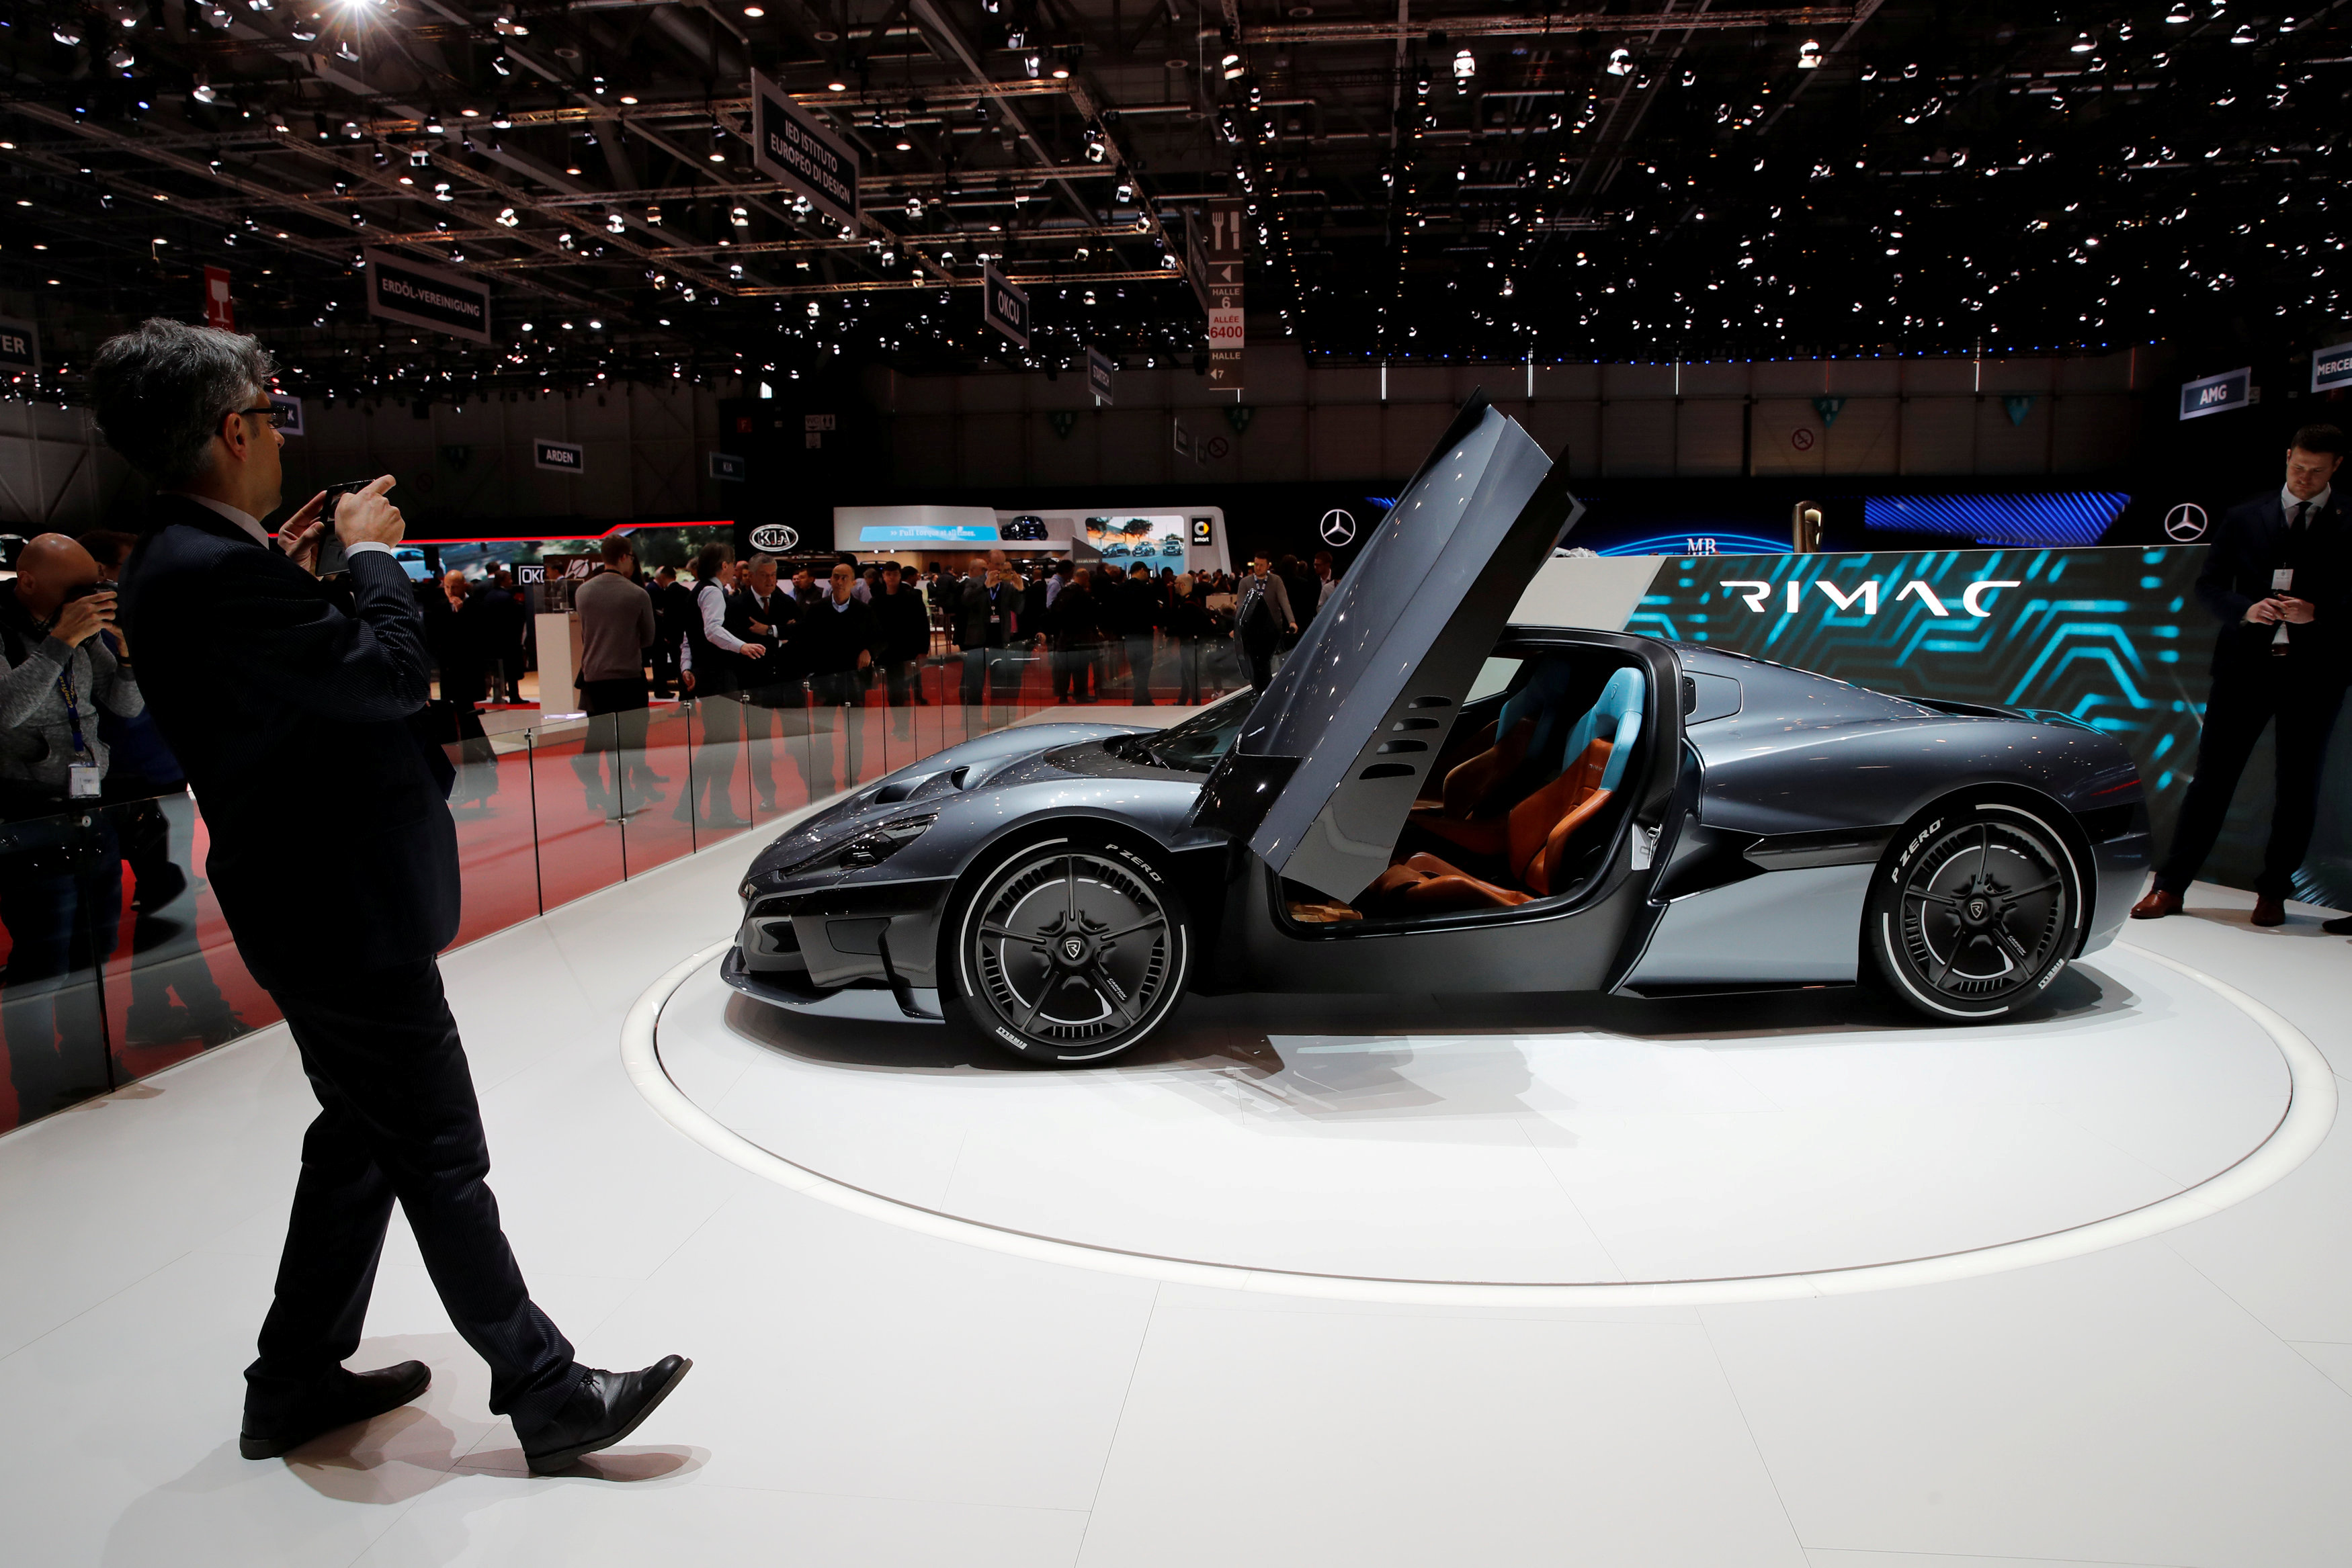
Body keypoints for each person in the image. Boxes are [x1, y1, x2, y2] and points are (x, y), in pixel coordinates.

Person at [93, 318, 687, 1473]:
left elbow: (295, 687)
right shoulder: (208, 570)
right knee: (438, 1147)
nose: (277, 436)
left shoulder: (201, 558)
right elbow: (378, 676)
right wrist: (371, 560)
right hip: (336, 908)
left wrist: (304, 567)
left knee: (362, 1142)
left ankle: (296, 1376)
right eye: (269, 414)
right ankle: (547, 1387)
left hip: (321, 897)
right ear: (230, 429)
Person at [2134, 424, 2347, 929]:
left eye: (2317, 471)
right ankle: (2170, 887)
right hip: (2243, 667)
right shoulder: (2245, 515)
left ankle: (2274, 891)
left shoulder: (2350, 518)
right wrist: (2247, 610)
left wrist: (2316, 613)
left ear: (2337, 467)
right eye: (2299, 466)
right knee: (2211, 781)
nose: (2305, 477)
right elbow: (2208, 585)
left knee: (2298, 787)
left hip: (2316, 672)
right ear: (2288, 456)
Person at [0, 533, 143, 1123]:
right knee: (43, 959)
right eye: (74, 587)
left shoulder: (82, 631)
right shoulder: (30, 631)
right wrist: (61, 642)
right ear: (28, 580)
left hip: (91, 809)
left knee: (96, 949)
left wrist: (128, 654)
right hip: (26, 815)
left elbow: (125, 706)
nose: (89, 596)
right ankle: (38, 1084)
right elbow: (4, 711)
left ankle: (90, 1065)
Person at [677, 542, 768, 828]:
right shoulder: (712, 592)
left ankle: (689, 806)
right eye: (732, 563)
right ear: (724, 565)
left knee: (713, 745)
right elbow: (712, 630)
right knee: (722, 746)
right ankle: (716, 809)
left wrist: (687, 667)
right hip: (719, 676)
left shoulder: (699, 591)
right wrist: (742, 646)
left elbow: (688, 637)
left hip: (709, 675)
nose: (735, 568)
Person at [571, 535, 662, 814]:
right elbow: (648, 638)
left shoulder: (583, 592)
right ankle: (620, 799)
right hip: (627, 678)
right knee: (628, 743)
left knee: (602, 737)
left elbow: (587, 634)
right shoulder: (637, 594)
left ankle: (606, 791)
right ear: (625, 557)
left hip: (594, 678)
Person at [800, 562, 879, 794]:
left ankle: (852, 776)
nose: (841, 581)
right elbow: (805, 642)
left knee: (854, 732)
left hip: (854, 681)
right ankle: (824, 779)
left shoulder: (865, 611)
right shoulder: (816, 609)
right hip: (824, 681)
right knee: (823, 733)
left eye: (845, 577)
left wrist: (869, 651)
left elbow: (880, 638)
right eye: (837, 577)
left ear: (854, 583)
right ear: (831, 581)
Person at [727, 554, 793, 813]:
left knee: (799, 741)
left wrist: (769, 632)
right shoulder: (736, 606)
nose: (770, 580)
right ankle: (768, 795)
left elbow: (799, 633)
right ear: (750, 576)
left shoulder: (786, 602)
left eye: (774, 575)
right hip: (753, 685)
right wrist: (780, 637)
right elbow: (739, 640)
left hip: (788, 683)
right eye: (765, 575)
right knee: (761, 744)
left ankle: (813, 792)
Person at [873, 561, 930, 740]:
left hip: (907, 651)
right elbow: (872, 628)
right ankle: (899, 725)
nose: (891, 578)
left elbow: (922, 624)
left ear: (899, 575)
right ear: (884, 577)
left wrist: (922, 650)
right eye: (888, 575)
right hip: (885, 652)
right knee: (893, 691)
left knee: (903, 690)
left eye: (895, 574)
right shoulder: (876, 599)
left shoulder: (912, 597)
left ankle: (902, 726)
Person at [1234, 553, 1296, 692]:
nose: (1258, 567)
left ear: (1268, 566)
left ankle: (1276, 691)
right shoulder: (1245, 582)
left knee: (1274, 663)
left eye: (1262, 565)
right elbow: (1240, 606)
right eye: (1256, 564)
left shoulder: (1276, 581)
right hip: (1253, 633)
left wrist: (1292, 621)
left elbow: (1284, 601)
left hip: (1273, 630)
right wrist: (1237, 627)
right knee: (1257, 667)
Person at [1048, 566, 1101, 703]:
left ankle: (1063, 695)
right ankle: (1080, 694)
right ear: (1084, 578)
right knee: (1080, 668)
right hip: (1080, 637)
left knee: (1063, 669)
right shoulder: (1082, 594)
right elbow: (1092, 613)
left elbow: (1053, 610)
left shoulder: (1064, 591)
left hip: (1064, 637)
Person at [479, 567, 528, 705]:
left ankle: (498, 696)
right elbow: (514, 620)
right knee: (512, 671)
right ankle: (515, 697)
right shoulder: (507, 597)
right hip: (508, 640)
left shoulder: (488, 596)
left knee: (498, 671)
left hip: (493, 641)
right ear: (503, 580)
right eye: (510, 579)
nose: (512, 581)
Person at [1165, 572, 1212, 707]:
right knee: (1186, 674)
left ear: (1183, 585)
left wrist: (1169, 633)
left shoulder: (1188, 604)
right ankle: (1183, 701)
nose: (1174, 586)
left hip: (1189, 645)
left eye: (1176, 584)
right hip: (1193, 644)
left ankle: (1195, 703)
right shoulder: (1194, 601)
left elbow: (1183, 626)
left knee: (1190, 675)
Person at [1123, 561, 1161, 706]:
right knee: (1145, 666)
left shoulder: (1121, 589)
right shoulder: (1147, 590)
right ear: (1142, 570)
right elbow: (1154, 612)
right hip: (1144, 634)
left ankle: (1142, 695)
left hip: (1129, 635)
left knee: (1135, 666)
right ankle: (1140, 696)